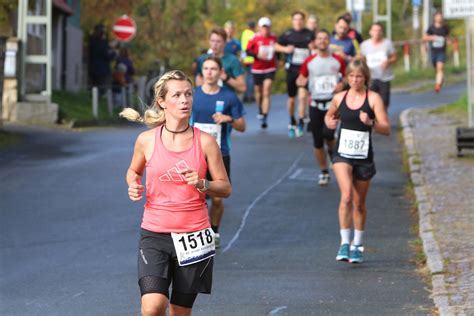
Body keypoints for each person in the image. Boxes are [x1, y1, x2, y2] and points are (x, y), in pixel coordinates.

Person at [120, 70, 231, 315]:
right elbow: (133, 171)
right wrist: (133, 183)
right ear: (162, 102)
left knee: (180, 312)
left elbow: (225, 187)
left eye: (188, 94)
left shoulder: (206, 142)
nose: (184, 100)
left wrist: (203, 183)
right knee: (153, 306)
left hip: (194, 236)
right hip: (155, 234)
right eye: (177, 95)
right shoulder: (146, 140)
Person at [325, 59, 390, 264]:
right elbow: (329, 116)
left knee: (359, 203)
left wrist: (371, 122)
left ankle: (357, 244)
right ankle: (344, 243)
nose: (355, 80)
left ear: (365, 78)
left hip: (363, 156)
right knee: (346, 197)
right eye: (351, 76)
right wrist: (330, 121)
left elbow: (386, 128)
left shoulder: (373, 99)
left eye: (359, 76)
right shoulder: (339, 98)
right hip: (342, 153)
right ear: (347, 77)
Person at [192, 56, 246, 248]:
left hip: (220, 153)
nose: (209, 72)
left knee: (217, 197)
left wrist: (228, 118)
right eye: (206, 68)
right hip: (194, 154)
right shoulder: (193, 95)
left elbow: (242, 126)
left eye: (213, 69)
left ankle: (214, 231)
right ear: (201, 72)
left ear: (221, 72)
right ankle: (196, 232)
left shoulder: (229, 97)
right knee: (194, 196)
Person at [297, 29, 346, 186]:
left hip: (332, 104)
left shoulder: (338, 60)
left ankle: (333, 153)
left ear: (329, 41)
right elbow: (300, 79)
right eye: (320, 38)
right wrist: (301, 82)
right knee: (318, 141)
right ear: (315, 42)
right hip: (315, 104)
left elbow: (347, 78)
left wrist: (342, 84)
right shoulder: (309, 61)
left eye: (325, 38)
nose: (322, 41)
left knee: (329, 135)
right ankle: (324, 171)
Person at [275, 11, 315, 138]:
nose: (298, 21)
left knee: (303, 97)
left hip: (305, 70)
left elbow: (317, 47)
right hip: (291, 69)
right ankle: (292, 120)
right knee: (292, 99)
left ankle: (301, 120)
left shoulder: (310, 34)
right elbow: (275, 46)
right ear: (292, 21)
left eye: (300, 19)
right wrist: (285, 50)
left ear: (303, 21)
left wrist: (313, 47)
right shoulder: (287, 34)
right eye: (295, 19)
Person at [246, 17, 278, 129]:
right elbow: (247, 51)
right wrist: (257, 55)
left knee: (266, 90)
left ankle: (265, 115)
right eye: (263, 27)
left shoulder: (273, 37)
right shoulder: (254, 38)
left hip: (270, 68)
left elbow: (278, 49)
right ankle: (260, 108)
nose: (266, 29)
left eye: (267, 27)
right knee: (258, 92)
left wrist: (279, 59)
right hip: (257, 68)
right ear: (260, 27)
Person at [195, 27, 246, 94]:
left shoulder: (232, 60)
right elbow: (198, 81)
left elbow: (242, 88)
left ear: (225, 43)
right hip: (207, 99)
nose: (215, 44)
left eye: (218, 41)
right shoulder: (202, 59)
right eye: (212, 41)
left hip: (226, 99)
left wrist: (226, 78)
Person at [360, 22, 397, 108]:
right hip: (370, 78)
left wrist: (388, 61)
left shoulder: (387, 43)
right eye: (374, 30)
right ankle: (373, 120)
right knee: (370, 102)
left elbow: (394, 58)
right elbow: (361, 60)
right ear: (370, 32)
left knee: (384, 102)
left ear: (382, 32)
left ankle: (382, 120)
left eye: (379, 30)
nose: (377, 32)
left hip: (384, 77)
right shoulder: (365, 45)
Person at [423, 11, 450, 93]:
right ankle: (440, 79)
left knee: (440, 67)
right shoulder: (431, 28)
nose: (439, 18)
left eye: (440, 16)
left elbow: (447, 37)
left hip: (442, 51)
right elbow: (424, 38)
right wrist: (431, 38)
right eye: (437, 16)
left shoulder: (445, 28)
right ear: (435, 18)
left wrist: (448, 41)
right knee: (437, 68)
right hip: (434, 51)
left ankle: (437, 85)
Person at [88, 24, 117, 94]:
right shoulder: (102, 43)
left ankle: (93, 101)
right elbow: (107, 56)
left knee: (94, 87)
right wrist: (114, 52)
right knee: (101, 88)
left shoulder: (92, 41)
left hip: (92, 68)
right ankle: (97, 101)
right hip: (102, 70)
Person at [241, 20, 257, 103]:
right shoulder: (253, 35)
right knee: (251, 78)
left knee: (247, 77)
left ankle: (245, 94)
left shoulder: (244, 33)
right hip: (252, 58)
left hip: (245, 58)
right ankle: (249, 95)